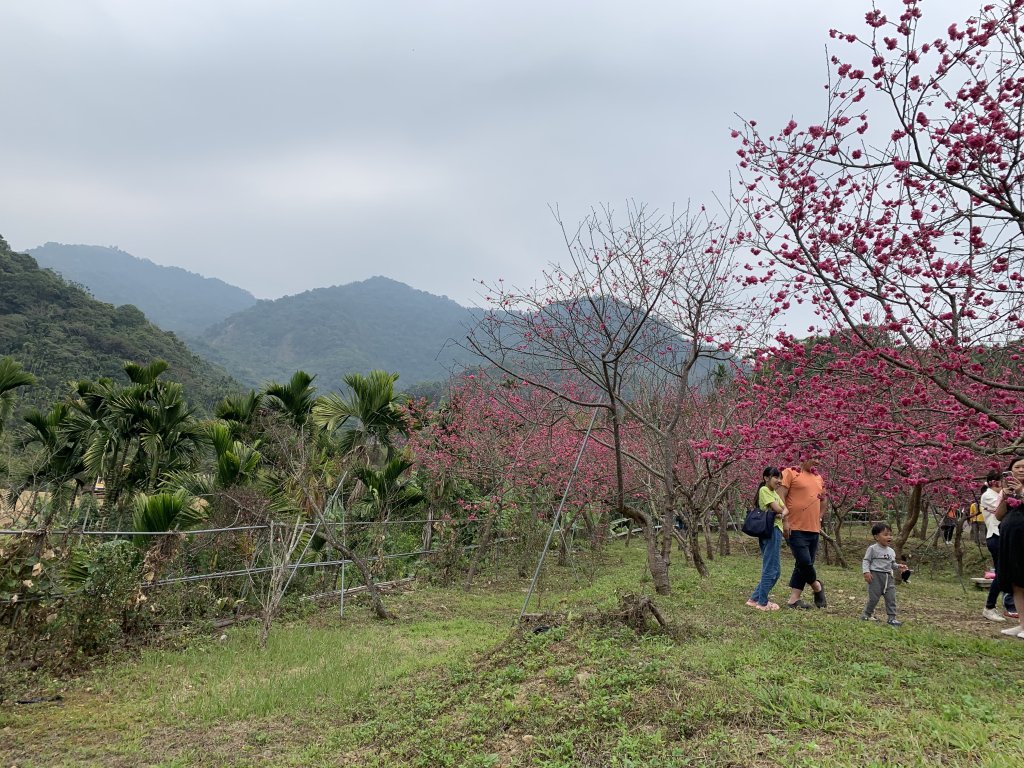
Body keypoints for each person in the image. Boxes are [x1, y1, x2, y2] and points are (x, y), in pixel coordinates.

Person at [779, 450, 827, 609]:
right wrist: (785, 520)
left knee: (803, 563)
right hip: (794, 526)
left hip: (813, 528)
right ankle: (817, 586)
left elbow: (824, 500)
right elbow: (780, 496)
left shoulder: (819, 478)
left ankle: (793, 600)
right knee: (805, 562)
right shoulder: (790, 473)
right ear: (803, 457)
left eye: (819, 458)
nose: (818, 462)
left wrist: (819, 518)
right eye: (815, 457)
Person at [745, 467, 789, 611]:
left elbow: (785, 509)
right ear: (766, 478)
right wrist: (781, 512)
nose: (779, 481)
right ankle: (763, 603)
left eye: (780, 477)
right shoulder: (764, 490)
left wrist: (781, 512)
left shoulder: (774, 493)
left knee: (775, 571)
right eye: (776, 477)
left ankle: (754, 599)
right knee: (771, 569)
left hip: (776, 531)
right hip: (771, 531)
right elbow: (779, 509)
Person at [980, 470, 1016, 621]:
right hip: (995, 536)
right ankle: (990, 607)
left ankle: (1008, 605)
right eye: (1000, 480)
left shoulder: (999, 493)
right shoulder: (988, 495)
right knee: (1002, 573)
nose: (1002, 483)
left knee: (1007, 572)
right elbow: (1001, 509)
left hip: (1004, 536)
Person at [994, 455, 1024, 639]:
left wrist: (1021, 492)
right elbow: (998, 516)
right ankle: (1022, 624)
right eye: (1017, 467)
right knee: (1017, 583)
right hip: (1011, 539)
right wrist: (1005, 497)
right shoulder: (1008, 490)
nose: (1021, 470)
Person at [860, 523, 909, 626]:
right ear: (877, 537)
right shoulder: (872, 549)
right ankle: (866, 615)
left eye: (891, 535)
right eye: (886, 534)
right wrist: (866, 572)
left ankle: (892, 618)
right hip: (875, 577)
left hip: (889, 578)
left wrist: (899, 566)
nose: (889, 537)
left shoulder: (891, 551)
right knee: (874, 598)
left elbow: (892, 564)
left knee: (891, 598)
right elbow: (866, 561)